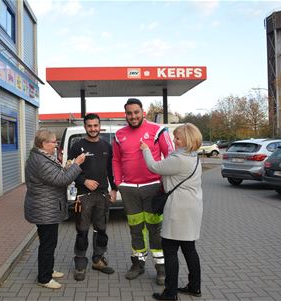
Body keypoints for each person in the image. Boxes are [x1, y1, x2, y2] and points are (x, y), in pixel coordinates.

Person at [112, 98, 174, 285]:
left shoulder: (157, 130)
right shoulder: (119, 134)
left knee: (155, 230)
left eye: (136, 112)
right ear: (126, 115)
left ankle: (161, 269)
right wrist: (118, 183)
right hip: (129, 190)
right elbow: (115, 160)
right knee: (135, 229)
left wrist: (164, 184)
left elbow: (170, 157)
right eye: (129, 113)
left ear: (143, 111)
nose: (133, 116)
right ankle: (138, 264)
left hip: (153, 187)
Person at [140, 123, 203, 301]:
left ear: (186, 140)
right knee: (189, 248)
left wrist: (145, 149)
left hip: (179, 209)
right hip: (193, 208)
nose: (174, 140)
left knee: (170, 249)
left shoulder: (178, 159)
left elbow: (153, 166)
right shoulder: (194, 157)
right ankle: (194, 286)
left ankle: (170, 293)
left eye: (177, 138)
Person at [24, 128, 85, 289]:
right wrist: (77, 164)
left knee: (50, 242)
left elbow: (56, 175)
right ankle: (44, 278)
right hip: (44, 209)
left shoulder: (42, 156)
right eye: (53, 142)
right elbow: (61, 180)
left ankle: (48, 270)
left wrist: (68, 167)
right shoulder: (40, 161)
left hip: (47, 207)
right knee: (47, 244)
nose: (56, 144)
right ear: (43, 143)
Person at [68, 113, 117, 281]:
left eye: (95, 125)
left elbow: (111, 170)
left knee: (101, 230)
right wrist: (84, 180)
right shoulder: (77, 146)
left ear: (99, 125)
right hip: (84, 196)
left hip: (103, 195)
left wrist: (114, 189)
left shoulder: (106, 146)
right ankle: (80, 264)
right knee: (82, 231)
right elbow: (69, 170)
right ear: (85, 127)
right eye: (89, 126)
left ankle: (98, 260)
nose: (93, 129)